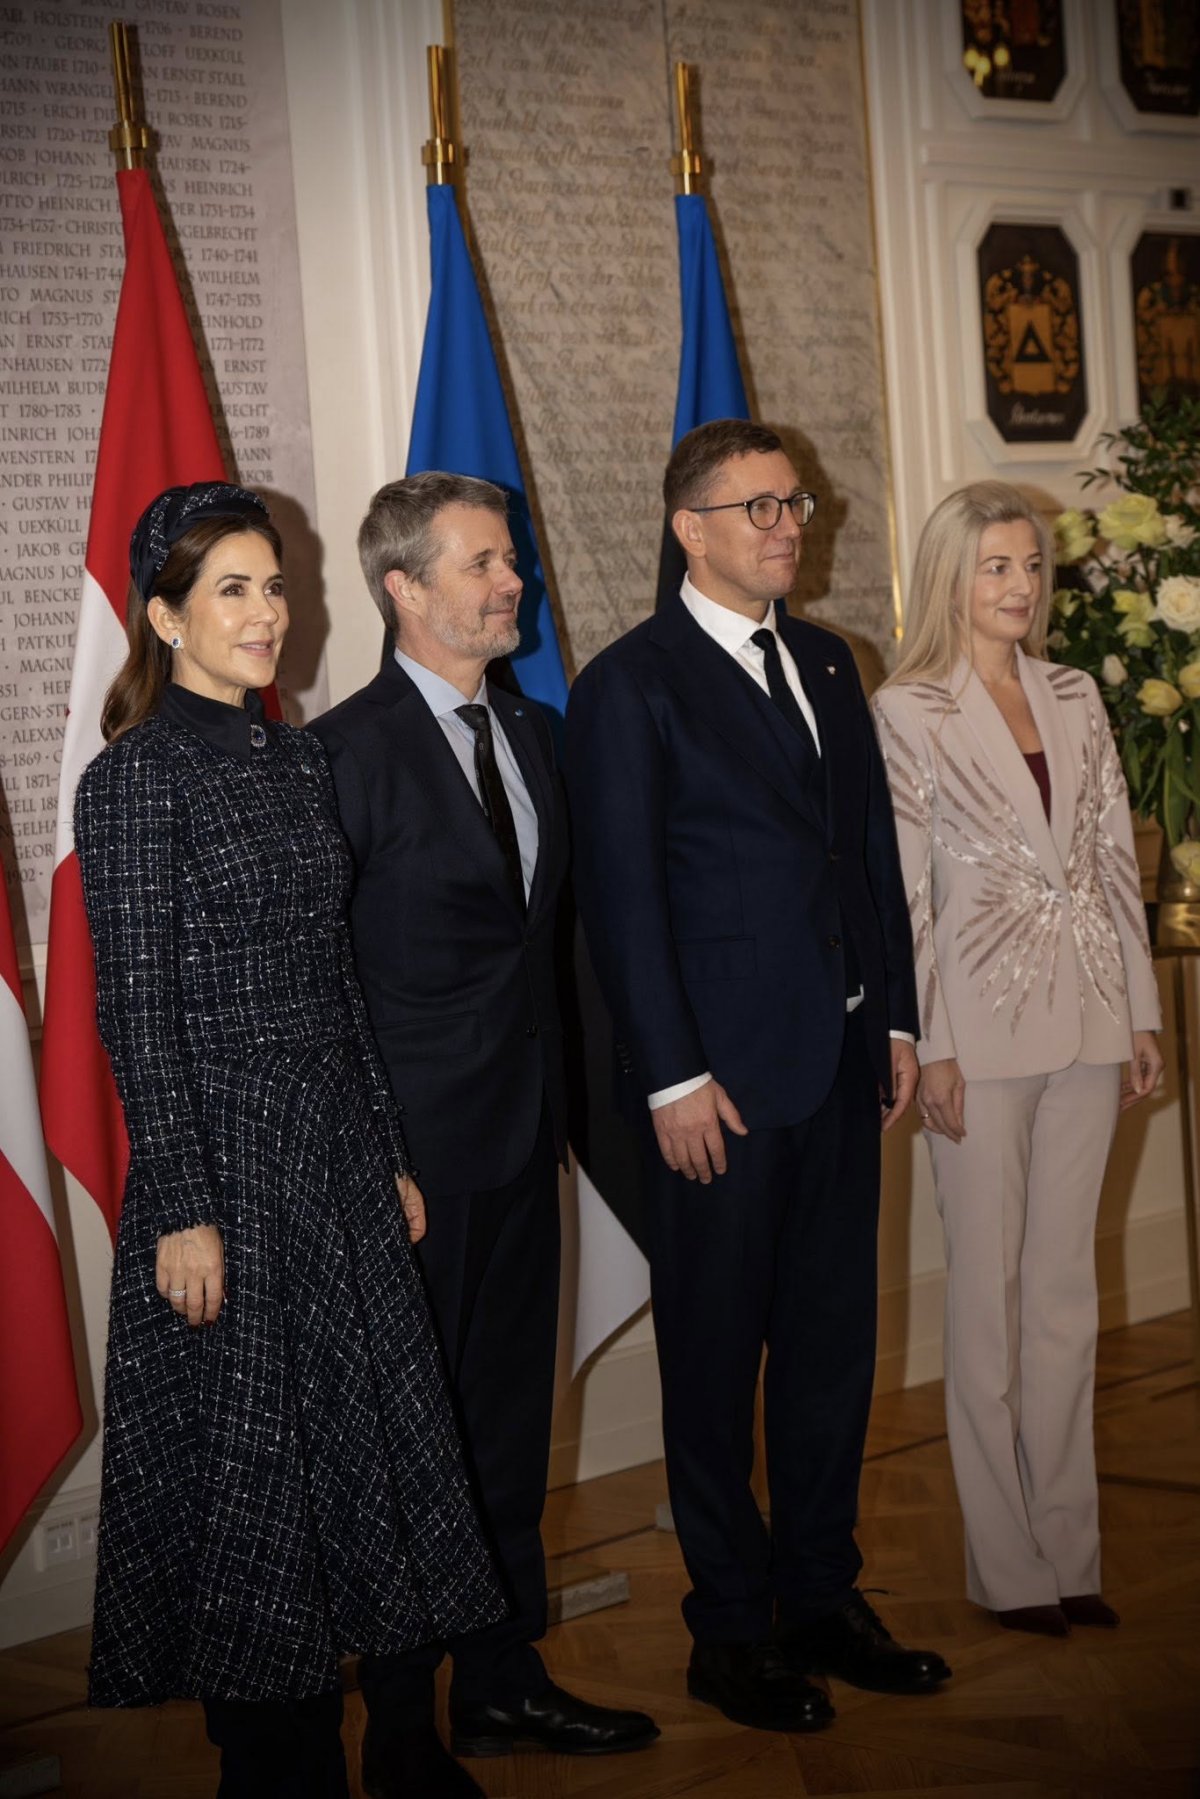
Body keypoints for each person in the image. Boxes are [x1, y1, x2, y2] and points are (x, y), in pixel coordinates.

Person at [73, 482, 503, 1799]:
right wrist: (182, 1208)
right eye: (234, 591)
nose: (269, 614)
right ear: (164, 617)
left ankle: (411, 1743)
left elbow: (339, 978)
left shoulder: (293, 754)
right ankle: (280, 1769)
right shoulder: (135, 778)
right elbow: (136, 1013)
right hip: (229, 1171)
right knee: (265, 1485)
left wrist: (385, 1150)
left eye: (275, 586)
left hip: (336, 1165)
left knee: (382, 1457)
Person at [564, 419, 952, 1734]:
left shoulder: (837, 664)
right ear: (690, 526)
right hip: (716, 1091)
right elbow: (623, 899)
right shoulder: (634, 682)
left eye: (797, 502)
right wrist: (671, 1076)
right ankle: (728, 1630)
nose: (790, 524)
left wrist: (895, 1022)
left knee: (836, 1354)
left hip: (842, 1070)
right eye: (760, 506)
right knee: (717, 1369)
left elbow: (863, 863)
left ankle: (821, 1597)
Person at [309, 472, 658, 1789]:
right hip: (409, 1168)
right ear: (403, 587)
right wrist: (370, 1153)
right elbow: (320, 981)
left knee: (508, 1429)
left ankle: (502, 1682)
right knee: (415, 1447)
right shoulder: (342, 756)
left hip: (525, 1145)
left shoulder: (534, 730)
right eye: (481, 564)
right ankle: (397, 1732)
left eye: (508, 559)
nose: (513, 582)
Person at [871, 480, 1163, 1637]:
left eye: (1031, 565)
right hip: (975, 1043)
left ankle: (1072, 1549)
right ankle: (1007, 1563)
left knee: (1062, 1298)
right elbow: (906, 896)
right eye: (996, 566)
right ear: (953, 576)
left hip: (1091, 1021)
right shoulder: (909, 710)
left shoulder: (1080, 692)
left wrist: (1139, 1013)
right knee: (986, 1305)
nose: (1020, 587)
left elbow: (1108, 861)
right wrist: (927, 1042)